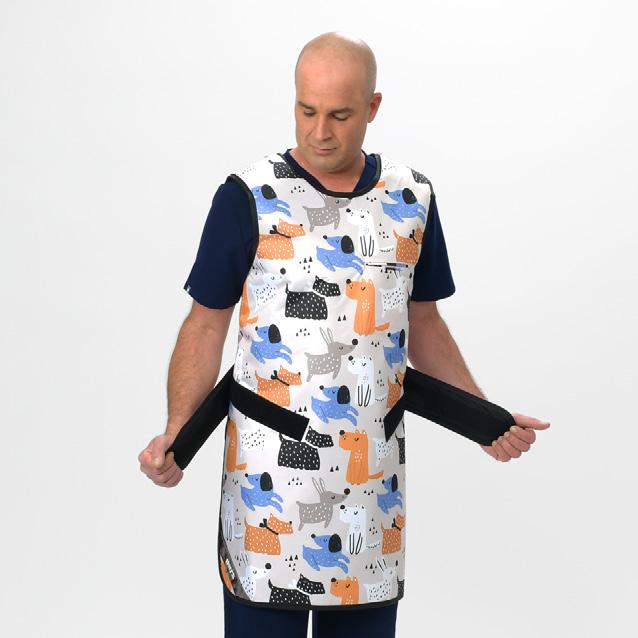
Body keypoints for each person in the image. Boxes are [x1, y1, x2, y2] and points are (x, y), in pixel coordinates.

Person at [138, 30, 550, 638]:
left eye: (339, 115)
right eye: (306, 110)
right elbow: (205, 324)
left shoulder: (411, 199)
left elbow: (424, 324)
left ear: (373, 107)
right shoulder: (248, 197)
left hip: (370, 487)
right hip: (266, 480)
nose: (320, 132)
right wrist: (177, 431)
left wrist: (483, 419)